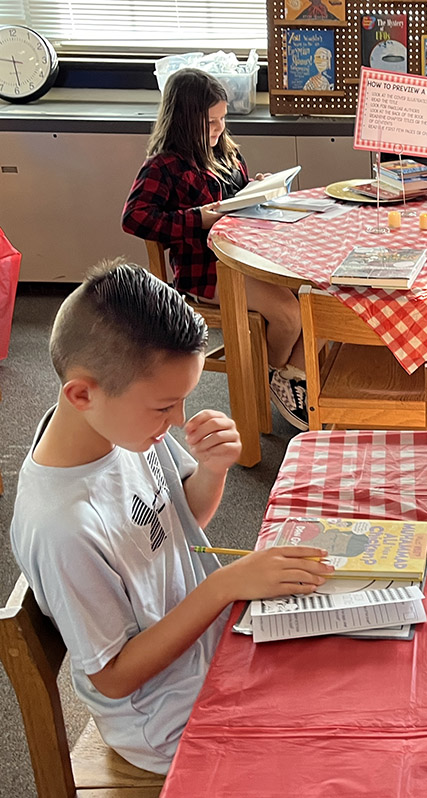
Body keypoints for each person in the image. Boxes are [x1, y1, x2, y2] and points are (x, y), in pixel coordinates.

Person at [8, 262, 332, 774]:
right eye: (166, 406)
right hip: (166, 718)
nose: (179, 420)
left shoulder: (120, 430)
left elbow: (187, 518)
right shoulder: (62, 527)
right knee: (339, 744)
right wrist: (223, 587)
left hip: (209, 645)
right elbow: (112, 676)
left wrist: (212, 468)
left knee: (352, 655)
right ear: (81, 393)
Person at [122, 68, 309, 429]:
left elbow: (235, 201)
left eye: (223, 119)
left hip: (248, 257)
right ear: (184, 121)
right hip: (206, 270)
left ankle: (290, 374)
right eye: (210, 122)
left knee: (311, 299)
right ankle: (269, 376)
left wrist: (256, 189)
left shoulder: (225, 153)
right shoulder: (164, 166)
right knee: (289, 315)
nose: (219, 128)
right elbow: (135, 218)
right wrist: (198, 219)